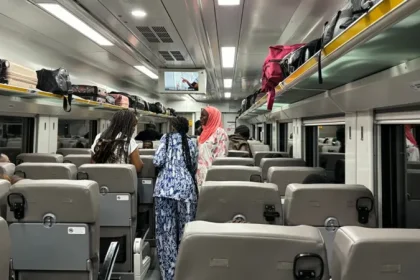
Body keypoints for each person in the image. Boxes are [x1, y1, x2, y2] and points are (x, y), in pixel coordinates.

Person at [153, 116, 198, 280]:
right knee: (186, 233)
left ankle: (169, 275)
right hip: (186, 191)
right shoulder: (192, 142)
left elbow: (157, 161)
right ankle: (185, 271)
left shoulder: (165, 139)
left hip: (164, 190)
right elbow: (193, 166)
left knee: (166, 234)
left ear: (172, 127)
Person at [196, 106, 228, 187]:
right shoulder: (204, 131)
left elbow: (222, 156)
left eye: (204, 115)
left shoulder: (220, 132)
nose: (201, 118)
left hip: (211, 174)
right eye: (200, 115)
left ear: (212, 117)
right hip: (200, 174)